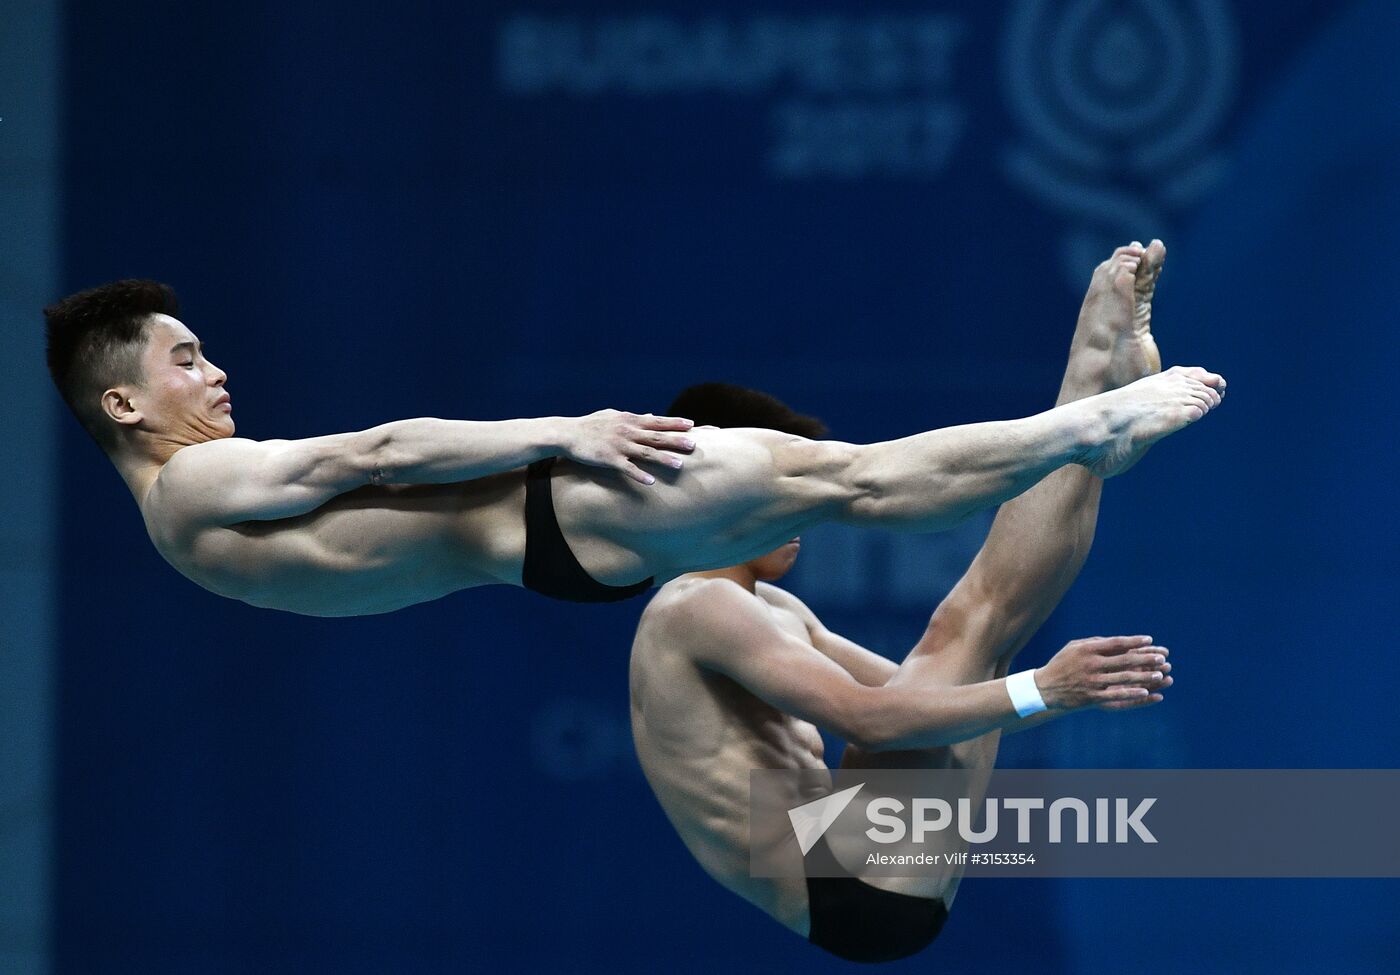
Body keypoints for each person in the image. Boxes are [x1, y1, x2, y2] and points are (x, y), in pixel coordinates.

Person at [42, 242, 1223, 616]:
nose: (219, 370)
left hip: (554, 554)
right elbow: (374, 452)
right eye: (185, 359)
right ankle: (1088, 422)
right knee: (854, 481)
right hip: (568, 502)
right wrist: (574, 429)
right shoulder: (192, 490)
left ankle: (1082, 419)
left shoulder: (183, 529)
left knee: (844, 488)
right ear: (124, 405)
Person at [629, 242, 1182, 962]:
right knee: (969, 628)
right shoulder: (689, 606)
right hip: (847, 880)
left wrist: (1040, 692)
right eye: (779, 496)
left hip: (871, 878)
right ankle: (1091, 393)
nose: (798, 517)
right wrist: (1045, 691)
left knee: (978, 643)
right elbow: (871, 719)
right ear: (717, 499)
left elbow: (917, 706)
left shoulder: (770, 608)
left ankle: (1096, 421)